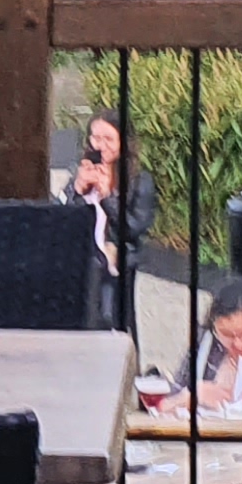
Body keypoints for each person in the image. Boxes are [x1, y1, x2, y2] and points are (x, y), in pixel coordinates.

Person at [70, 114, 157, 326]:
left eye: (108, 139)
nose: (101, 146)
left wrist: (108, 197)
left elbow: (134, 227)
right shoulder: (82, 169)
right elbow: (61, 215)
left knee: (108, 314)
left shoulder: (140, 180)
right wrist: (76, 191)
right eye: (96, 138)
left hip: (116, 261)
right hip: (82, 256)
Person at [153, 276, 242, 416]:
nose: (237, 344)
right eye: (226, 334)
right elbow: (166, 404)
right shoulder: (206, 346)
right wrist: (192, 396)